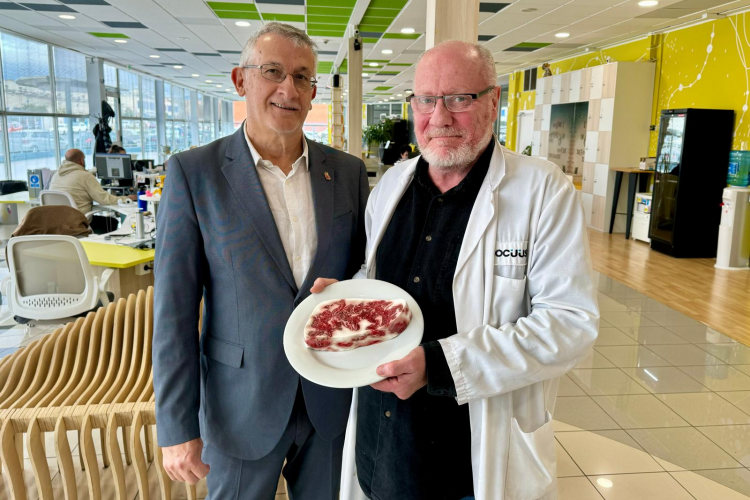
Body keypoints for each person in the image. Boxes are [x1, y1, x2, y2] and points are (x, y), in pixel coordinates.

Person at [317, 40, 599, 500]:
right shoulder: (392, 185)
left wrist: (439, 365)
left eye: (459, 99)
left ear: (492, 102)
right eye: (427, 100)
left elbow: (570, 325)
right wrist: (347, 299)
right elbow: (379, 281)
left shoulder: (542, 190)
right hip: (381, 440)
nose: (440, 117)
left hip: (466, 458)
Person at [153, 22, 369, 500]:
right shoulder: (195, 174)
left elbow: (363, 276)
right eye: (272, 72)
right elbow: (173, 312)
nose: (287, 89)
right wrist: (175, 424)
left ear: (314, 91)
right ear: (240, 80)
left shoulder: (348, 172)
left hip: (328, 400)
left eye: (302, 77)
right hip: (240, 405)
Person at [48, 148, 136, 233]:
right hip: (78, 221)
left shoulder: (56, 175)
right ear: (81, 161)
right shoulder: (85, 176)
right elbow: (104, 199)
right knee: (112, 222)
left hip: (57, 223)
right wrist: (127, 198)